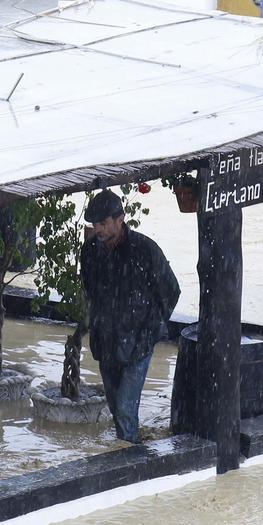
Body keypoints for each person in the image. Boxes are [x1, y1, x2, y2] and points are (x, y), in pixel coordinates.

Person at [80, 189, 180, 443]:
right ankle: (126, 447)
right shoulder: (90, 251)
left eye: (103, 223)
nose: (99, 229)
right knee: (115, 407)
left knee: (125, 408)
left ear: (120, 219)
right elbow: (89, 291)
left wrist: (150, 331)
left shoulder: (144, 250)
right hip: (106, 342)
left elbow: (170, 291)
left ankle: (128, 460)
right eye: (95, 224)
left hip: (138, 343)